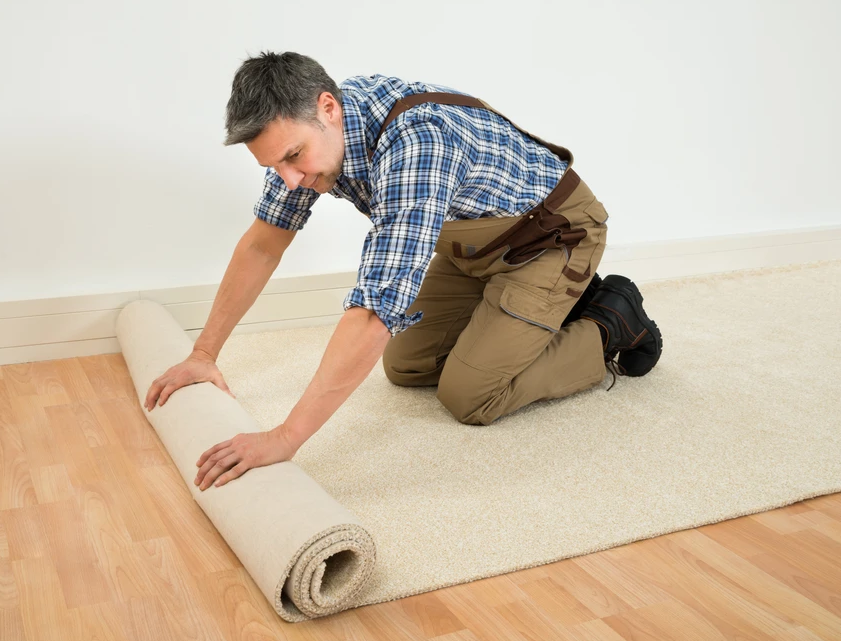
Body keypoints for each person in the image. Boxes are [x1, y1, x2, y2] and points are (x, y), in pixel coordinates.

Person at [144, 52, 662, 491]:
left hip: (552, 240)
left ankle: (609, 319)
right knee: (407, 366)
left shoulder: (416, 143)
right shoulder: (313, 139)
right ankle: (534, 316)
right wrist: (204, 353)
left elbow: (375, 314)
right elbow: (262, 246)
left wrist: (284, 438)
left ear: (328, 107)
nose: (290, 178)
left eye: (293, 158)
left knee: (470, 395)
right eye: (274, 167)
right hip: (473, 248)